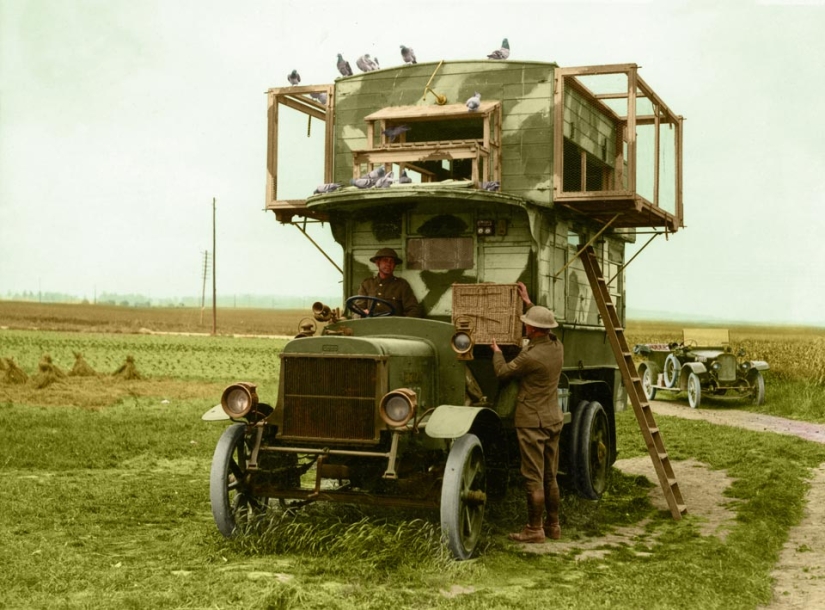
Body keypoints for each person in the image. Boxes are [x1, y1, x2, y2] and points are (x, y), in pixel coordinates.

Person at [491, 281, 564, 543]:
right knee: (549, 476)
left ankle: (534, 530)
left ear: (532, 329)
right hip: (553, 418)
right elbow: (547, 325)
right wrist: (529, 302)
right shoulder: (556, 345)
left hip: (532, 421)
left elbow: (502, 373)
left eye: (527, 322)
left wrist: (497, 352)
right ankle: (553, 526)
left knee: (532, 478)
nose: (524, 325)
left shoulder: (530, 357)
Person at [357, 248, 420, 317]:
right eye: (385, 260)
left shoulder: (402, 285)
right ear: (378, 263)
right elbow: (358, 308)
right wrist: (361, 313)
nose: (388, 264)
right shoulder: (367, 284)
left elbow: (413, 310)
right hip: (370, 325)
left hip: (394, 326)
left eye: (392, 261)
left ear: (394, 265)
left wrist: (403, 325)